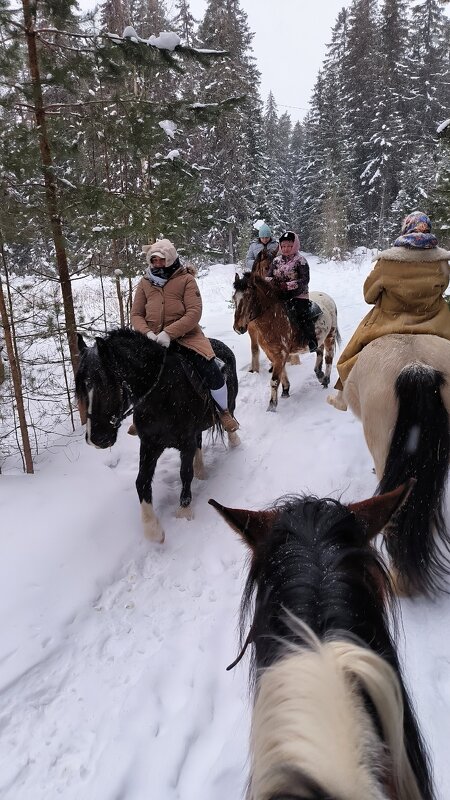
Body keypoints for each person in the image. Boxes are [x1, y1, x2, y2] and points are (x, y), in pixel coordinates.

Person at [328, 210, 450, 411]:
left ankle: (342, 397)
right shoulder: (441, 261)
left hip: (389, 323)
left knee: (352, 352)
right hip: (435, 323)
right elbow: (443, 287)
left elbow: (369, 296)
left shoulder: (388, 261)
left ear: (405, 230)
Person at [130, 238, 239, 433]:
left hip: (186, 338)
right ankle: (142, 414)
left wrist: (168, 333)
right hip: (152, 340)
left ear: (170, 259)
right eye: (153, 260)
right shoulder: (145, 283)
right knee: (136, 374)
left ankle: (224, 412)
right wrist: (146, 333)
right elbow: (136, 314)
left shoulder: (186, 280)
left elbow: (194, 313)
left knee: (211, 370)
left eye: (161, 260)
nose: (157, 264)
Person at [266, 231, 318, 352]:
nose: (286, 249)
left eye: (289, 246)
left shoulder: (301, 260)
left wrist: (288, 285)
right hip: (279, 295)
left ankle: (311, 340)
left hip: (299, 295)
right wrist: (272, 282)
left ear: (294, 245)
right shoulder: (276, 261)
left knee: (302, 314)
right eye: (283, 246)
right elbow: (268, 276)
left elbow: (305, 280)